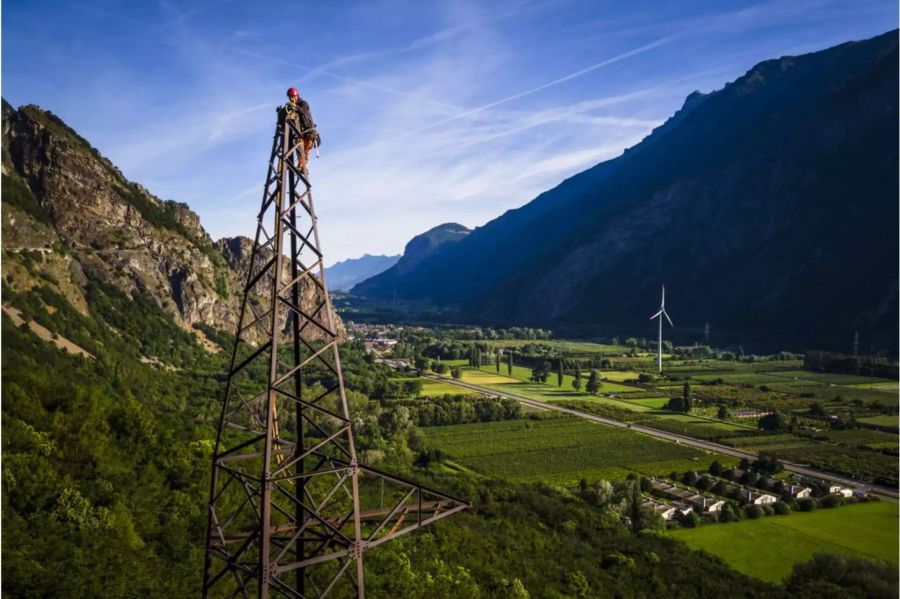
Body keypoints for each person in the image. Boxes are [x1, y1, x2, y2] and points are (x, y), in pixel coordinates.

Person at [286, 87, 321, 170]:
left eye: (293, 96)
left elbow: (303, 110)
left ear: (296, 96)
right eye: (290, 97)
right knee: (298, 145)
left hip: (310, 131)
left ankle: (302, 166)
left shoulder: (303, 103)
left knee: (306, 147)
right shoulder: (293, 109)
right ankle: (300, 165)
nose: (291, 99)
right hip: (301, 133)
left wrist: (295, 107)